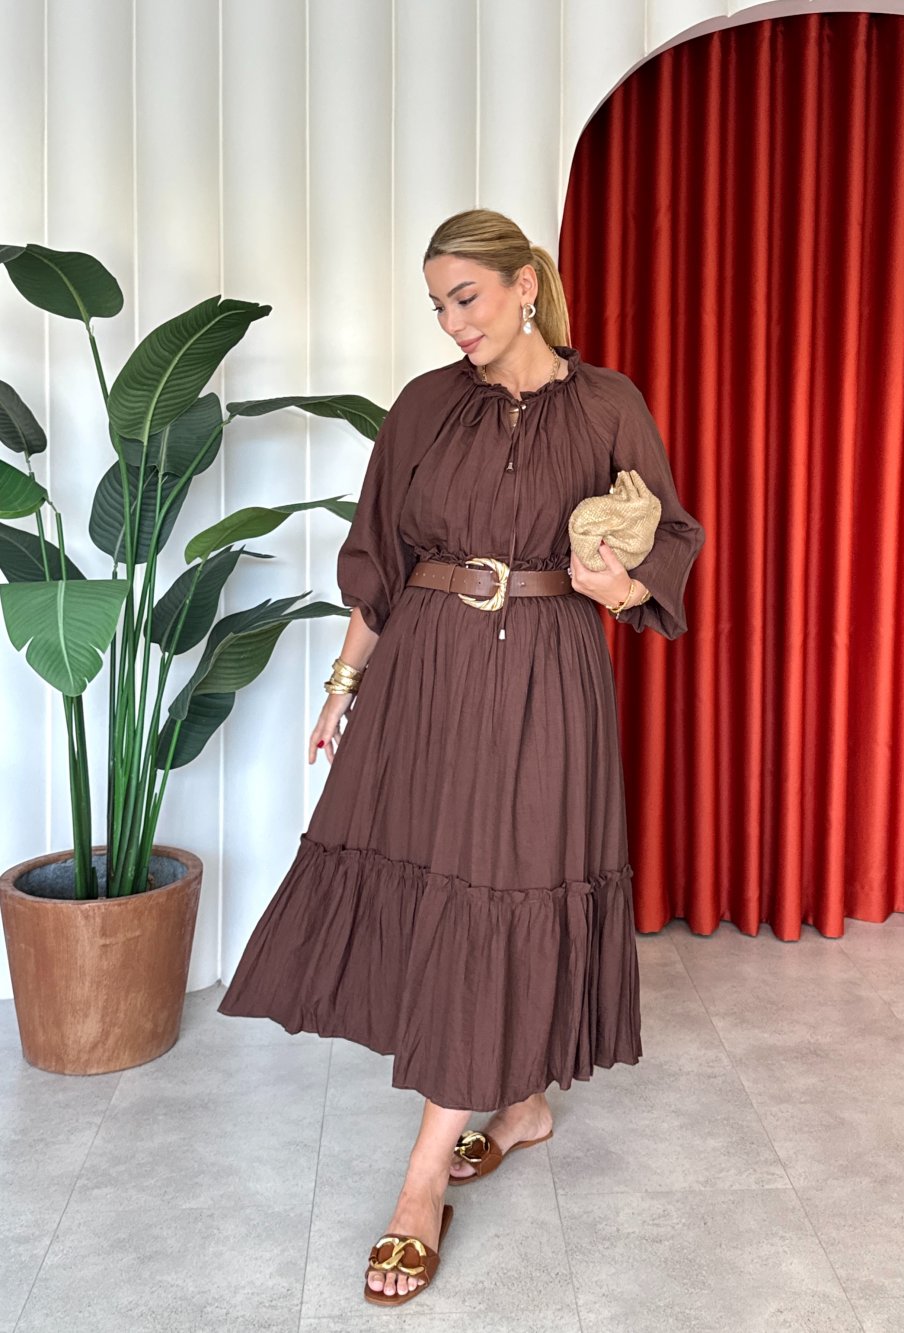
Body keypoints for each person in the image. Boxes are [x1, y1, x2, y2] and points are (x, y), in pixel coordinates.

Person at [219, 209, 704, 1307]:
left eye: (466, 297)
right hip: (426, 676)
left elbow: (669, 532)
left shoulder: (609, 403)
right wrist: (342, 687)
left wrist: (619, 584)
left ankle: (419, 1185)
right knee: (450, 887)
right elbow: (380, 558)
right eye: (437, 305)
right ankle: (519, 1106)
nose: (451, 323)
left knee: (506, 888)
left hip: (546, 674)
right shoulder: (423, 407)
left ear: (525, 284)